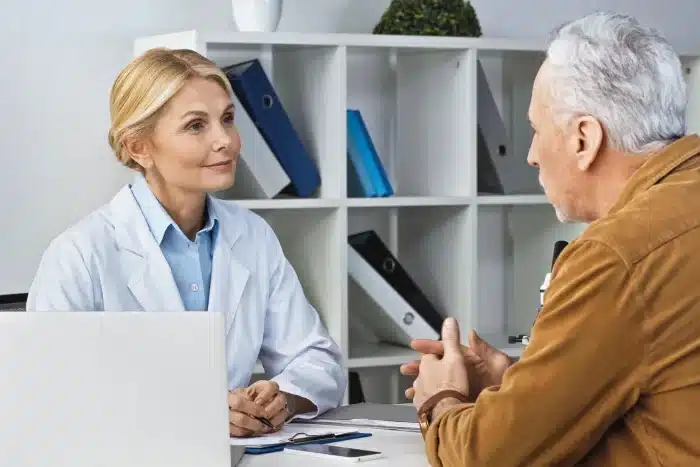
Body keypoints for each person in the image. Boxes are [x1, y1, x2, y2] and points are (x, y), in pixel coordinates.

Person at [402, 11, 700, 466]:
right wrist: (518, 382)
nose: (531, 155)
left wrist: (440, 398)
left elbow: (489, 458)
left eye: (538, 131)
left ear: (584, 139)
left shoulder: (615, 257)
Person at [26, 47, 346, 437]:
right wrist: (197, 412)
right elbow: (51, 396)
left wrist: (283, 399)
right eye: (196, 126)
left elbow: (317, 358)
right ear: (138, 147)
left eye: (227, 119)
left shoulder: (252, 235)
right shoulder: (78, 255)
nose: (225, 140)